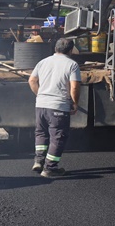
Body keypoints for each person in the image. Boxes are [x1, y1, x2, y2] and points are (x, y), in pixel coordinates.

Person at [28, 38, 81, 178]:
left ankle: (38, 161)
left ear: (55, 48)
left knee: (41, 133)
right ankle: (50, 168)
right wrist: (75, 103)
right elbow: (74, 86)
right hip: (58, 106)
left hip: (41, 105)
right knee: (57, 137)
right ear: (70, 50)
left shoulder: (42, 62)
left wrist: (41, 95)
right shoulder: (72, 65)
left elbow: (32, 80)